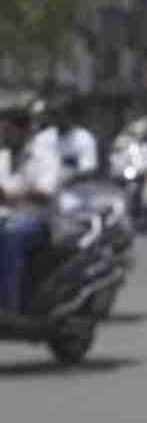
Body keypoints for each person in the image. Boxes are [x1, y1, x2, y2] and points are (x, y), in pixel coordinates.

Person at [0, 108, 61, 314]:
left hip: (36, 222)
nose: (3, 135)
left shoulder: (44, 157)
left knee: (10, 236)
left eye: (8, 131)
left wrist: (11, 196)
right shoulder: (2, 157)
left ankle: (10, 306)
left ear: (24, 132)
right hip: (5, 219)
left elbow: (45, 193)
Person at [31, 98, 97, 185]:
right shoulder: (42, 138)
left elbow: (88, 170)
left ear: (71, 115)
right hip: (45, 192)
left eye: (62, 114)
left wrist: (63, 177)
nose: (59, 117)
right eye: (55, 114)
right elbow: (36, 165)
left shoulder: (84, 138)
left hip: (76, 192)